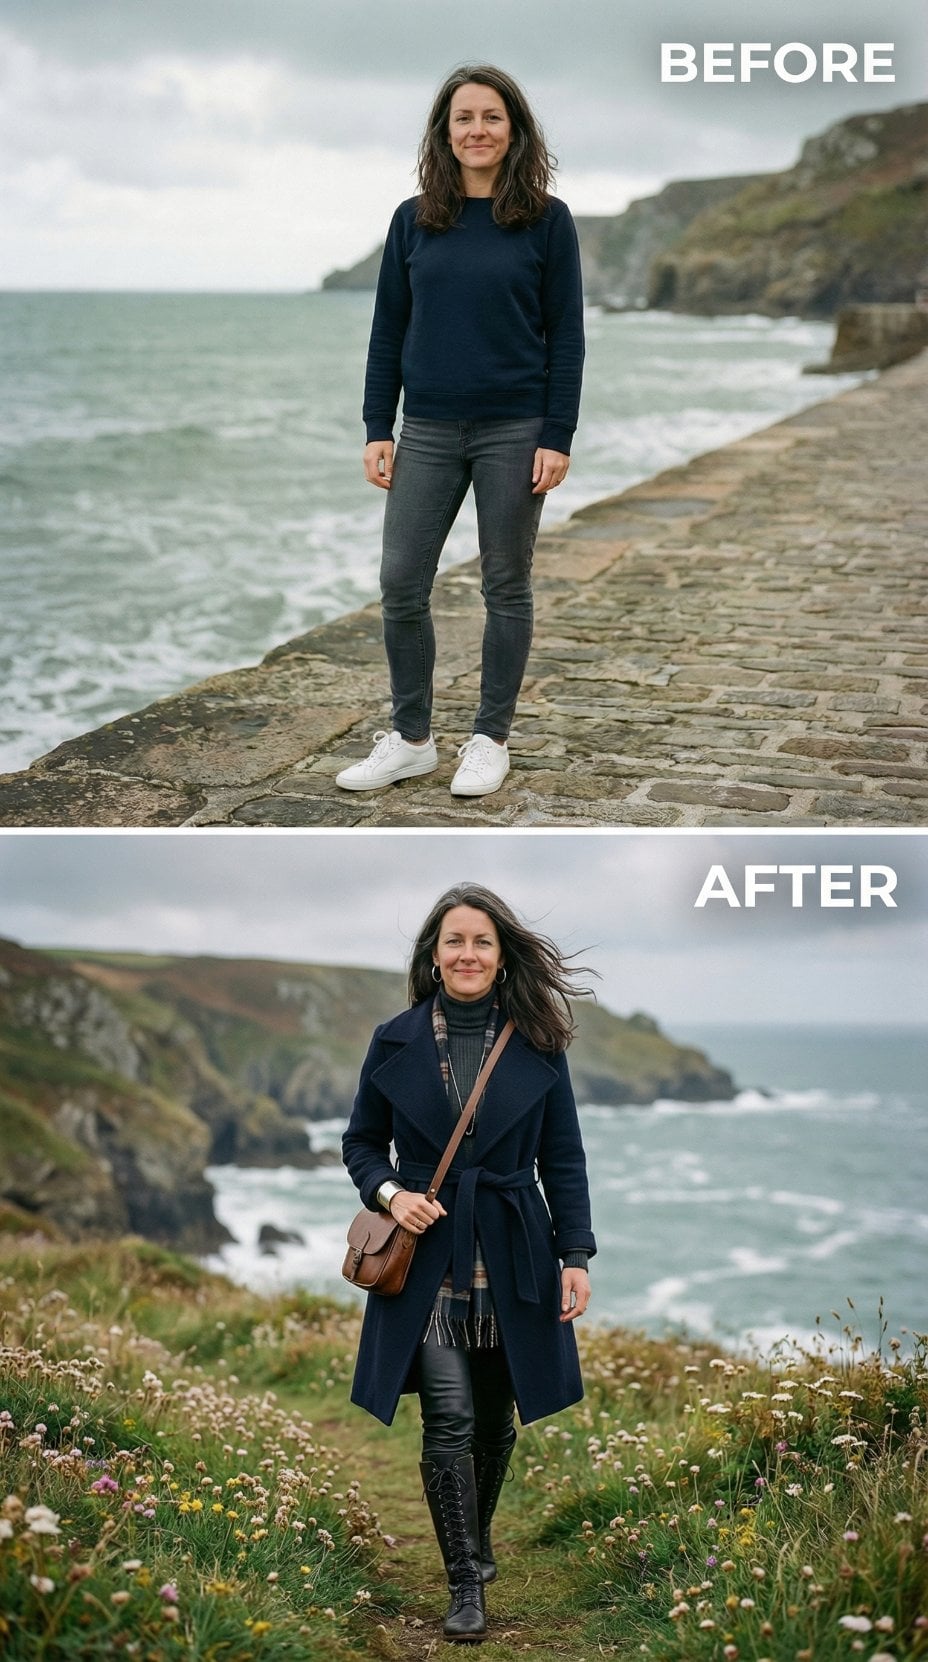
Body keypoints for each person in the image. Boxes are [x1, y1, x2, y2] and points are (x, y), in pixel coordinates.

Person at [342, 883, 596, 1642]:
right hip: (428, 1262)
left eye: (481, 941)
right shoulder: (395, 1038)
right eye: (454, 941)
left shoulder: (538, 1042)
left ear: (499, 954)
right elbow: (360, 1142)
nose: (467, 954)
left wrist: (576, 1254)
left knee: (494, 1422)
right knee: (447, 1420)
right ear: (433, 954)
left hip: (516, 1250)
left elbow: (564, 1159)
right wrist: (392, 1194)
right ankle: (463, 1586)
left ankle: (476, 1541)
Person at [335, 64, 585, 800]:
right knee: (401, 581)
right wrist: (378, 424)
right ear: (445, 134)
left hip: (516, 428)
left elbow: (566, 337)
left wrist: (557, 434)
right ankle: (412, 739)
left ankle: (489, 738)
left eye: (492, 117)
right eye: (463, 119)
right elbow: (389, 330)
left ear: (515, 131)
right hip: (431, 430)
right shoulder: (414, 219)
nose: (477, 130)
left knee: (505, 584)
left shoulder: (548, 219)